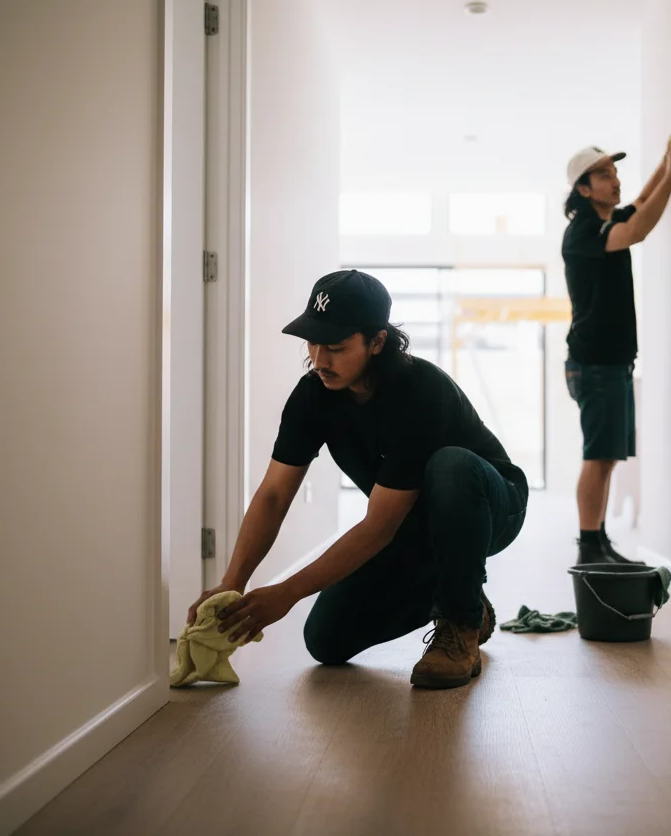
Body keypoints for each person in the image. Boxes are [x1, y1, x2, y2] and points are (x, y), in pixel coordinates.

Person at [187, 269, 528, 689]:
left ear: (377, 342)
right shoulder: (313, 396)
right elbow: (275, 494)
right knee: (325, 640)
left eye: (336, 347)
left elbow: (379, 526)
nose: (319, 360)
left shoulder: (421, 393)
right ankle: (467, 599)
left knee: (451, 465)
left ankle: (459, 623)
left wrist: (286, 591)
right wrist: (232, 584)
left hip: (490, 507)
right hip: (412, 525)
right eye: (312, 343)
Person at [562, 140, 671, 565]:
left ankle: (597, 541)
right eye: (604, 176)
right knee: (598, 457)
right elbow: (638, 229)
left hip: (608, 363)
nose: (615, 182)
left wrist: (667, 165)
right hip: (595, 365)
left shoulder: (603, 221)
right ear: (583, 189)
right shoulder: (583, 232)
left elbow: (641, 203)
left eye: (615, 174)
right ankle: (589, 545)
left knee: (607, 456)